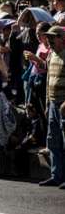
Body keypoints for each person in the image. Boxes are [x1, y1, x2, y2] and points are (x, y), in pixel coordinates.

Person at [39, 25, 65, 188]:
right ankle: (56, 175)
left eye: (52, 37)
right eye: (48, 37)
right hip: (54, 104)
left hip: (64, 105)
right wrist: (48, 102)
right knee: (53, 141)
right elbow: (48, 80)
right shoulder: (51, 55)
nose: (49, 40)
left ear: (62, 38)